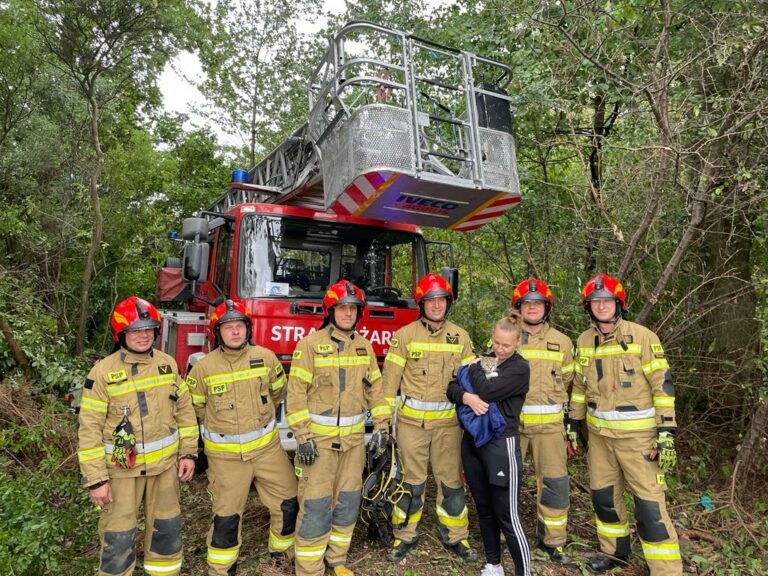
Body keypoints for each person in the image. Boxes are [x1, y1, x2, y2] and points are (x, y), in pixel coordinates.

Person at [77, 296, 198, 576]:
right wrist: (96, 480)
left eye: (148, 329)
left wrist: (189, 452)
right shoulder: (102, 373)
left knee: (166, 535)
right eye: (134, 330)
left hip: (165, 470)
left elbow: (185, 412)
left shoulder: (167, 364)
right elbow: (89, 430)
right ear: (120, 334)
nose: (143, 335)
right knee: (118, 539)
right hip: (121, 473)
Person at [571, 273, 682, 575]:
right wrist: (573, 423)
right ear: (588, 306)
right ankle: (615, 553)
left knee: (649, 507)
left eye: (607, 300)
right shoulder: (584, 341)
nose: (602, 306)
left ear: (619, 303)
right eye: (596, 301)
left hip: (640, 442)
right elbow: (580, 388)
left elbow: (663, 387)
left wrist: (666, 433)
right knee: (604, 499)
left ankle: (665, 569)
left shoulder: (644, 337)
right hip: (600, 440)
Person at [285, 280, 391, 576]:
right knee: (316, 504)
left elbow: (376, 391)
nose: (348, 313)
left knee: (347, 501)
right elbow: (295, 394)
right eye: (342, 308)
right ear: (330, 311)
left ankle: (337, 559)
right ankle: (309, 568)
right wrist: (302, 436)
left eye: (353, 308)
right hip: (318, 442)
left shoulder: (364, 347)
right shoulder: (310, 345)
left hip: (354, 442)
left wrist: (382, 426)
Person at [186, 299, 298, 574]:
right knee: (226, 518)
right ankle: (222, 570)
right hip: (226, 459)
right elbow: (194, 409)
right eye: (228, 327)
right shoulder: (204, 368)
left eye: (240, 326)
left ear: (248, 329)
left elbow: (277, 393)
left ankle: (281, 554)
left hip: (267, 451)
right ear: (218, 332)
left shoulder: (267, 358)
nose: (235, 332)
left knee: (290, 502)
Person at [382, 273, 477, 562]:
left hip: (449, 426)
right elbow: (389, 383)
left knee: (451, 483)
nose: (436, 306)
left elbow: (470, 383)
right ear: (421, 304)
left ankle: (457, 537)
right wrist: (386, 423)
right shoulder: (405, 335)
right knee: (411, 482)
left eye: (441, 300)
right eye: (431, 300)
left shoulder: (461, 337)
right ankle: (404, 535)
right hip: (411, 426)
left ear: (449, 303)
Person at [447, 311, 532, 576]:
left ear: (517, 342)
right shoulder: (489, 359)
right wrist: (466, 398)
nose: (499, 349)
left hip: (501, 445)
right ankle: (493, 565)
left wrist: (473, 369)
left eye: (506, 344)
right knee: (483, 508)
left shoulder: (519, 367)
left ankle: (523, 572)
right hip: (473, 443)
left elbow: (486, 390)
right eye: (496, 342)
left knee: (508, 516)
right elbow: (452, 387)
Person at [511, 278, 575, 563]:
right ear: (519, 307)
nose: (532, 308)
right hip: (511, 425)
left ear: (546, 307)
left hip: (550, 427)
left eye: (538, 303)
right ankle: (506, 536)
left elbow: (570, 381)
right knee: (506, 482)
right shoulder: (506, 335)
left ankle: (553, 541)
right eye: (527, 303)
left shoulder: (562, 342)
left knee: (554, 483)